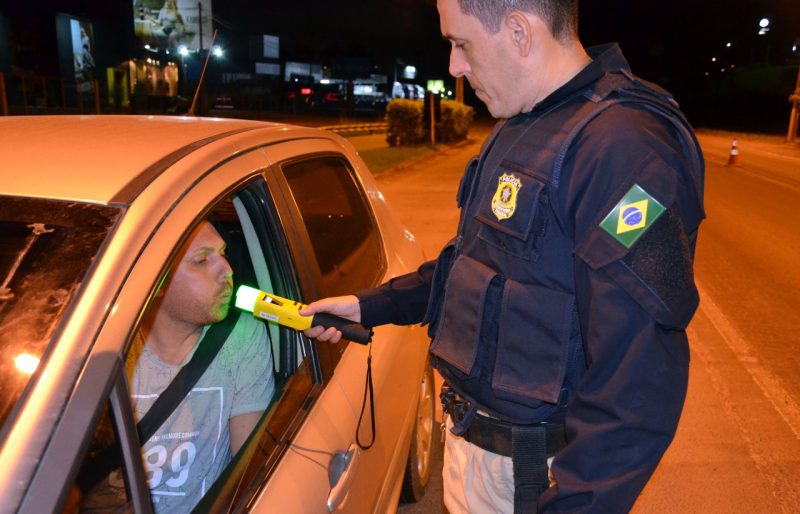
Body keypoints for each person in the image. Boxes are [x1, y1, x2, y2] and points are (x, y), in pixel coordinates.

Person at [302, 0, 705, 512]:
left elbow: (639, 375)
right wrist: (370, 306)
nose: (454, 66)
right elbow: (474, 267)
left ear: (518, 31)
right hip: (475, 451)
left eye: (461, 43)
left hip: (535, 478)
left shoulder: (623, 147)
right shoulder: (522, 122)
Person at [83, 221, 275, 513]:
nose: (227, 269)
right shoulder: (102, 352)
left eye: (222, 253)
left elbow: (247, 475)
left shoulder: (241, 338)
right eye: (202, 260)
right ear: (155, 282)